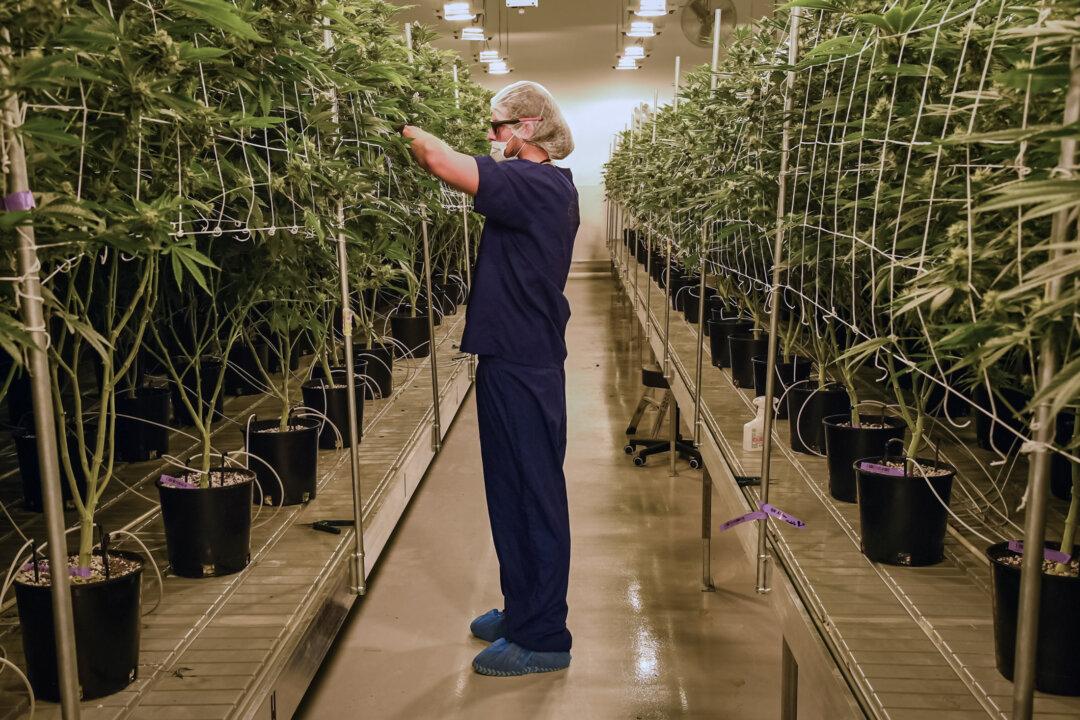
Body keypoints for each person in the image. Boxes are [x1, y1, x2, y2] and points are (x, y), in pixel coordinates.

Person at [400, 80, 579, 677]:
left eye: (498, 126)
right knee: (508, 488)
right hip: (509, 357)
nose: (491, 136)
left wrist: (397, 124)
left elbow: (437, 159)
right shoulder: (530, 186)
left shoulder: (537, 184)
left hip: (526, 361)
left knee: (534, 492)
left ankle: (545, 635)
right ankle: (522, 608)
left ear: (528, 128)